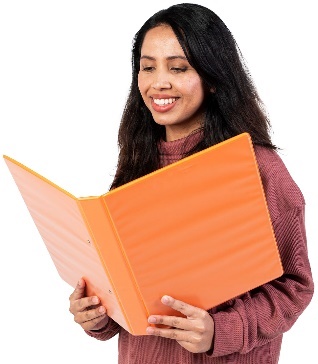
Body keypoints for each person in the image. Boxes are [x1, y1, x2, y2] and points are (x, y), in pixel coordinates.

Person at [69, 3, 314, 363]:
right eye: (148, 67)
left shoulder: (258, 166)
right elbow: (127, 288)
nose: (158, 82)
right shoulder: (138, 164)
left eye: (178, 67)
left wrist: (222, 330)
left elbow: (295, 286)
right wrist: (98, 314)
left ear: (213, 78)